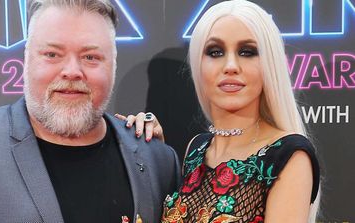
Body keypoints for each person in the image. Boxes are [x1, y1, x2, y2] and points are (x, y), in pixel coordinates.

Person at [0, 0, 180, 222]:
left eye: (90, 57)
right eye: (52, 54)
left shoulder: (159, 161)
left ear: (113, 65)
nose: (72, 71)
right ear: (26, 60)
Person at [116, 0, 320, 222]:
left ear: (269, 64)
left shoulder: (289, 155)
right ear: (198, 64)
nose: (230, 65)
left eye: (247, 51)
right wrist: (153, 152)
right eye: (215, 52)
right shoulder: (196, 149)